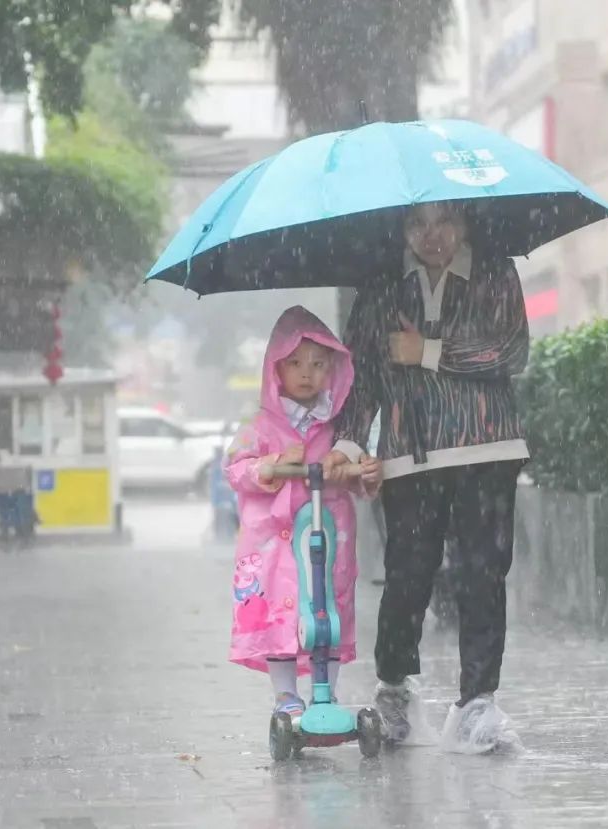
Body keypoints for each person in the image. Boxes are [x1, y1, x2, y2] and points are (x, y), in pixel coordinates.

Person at [325, 201, 530, 750]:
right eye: (417, 223)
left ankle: (478, 702)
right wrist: (346, 443)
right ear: (400, 229)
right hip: (409, 456)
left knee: (483, 576)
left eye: (444, 221)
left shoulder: (495, 271)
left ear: (465, 222)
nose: (431, 235)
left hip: (488, 446)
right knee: (406, 577)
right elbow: (362, 375)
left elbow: (511, 351)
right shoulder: (382, 286)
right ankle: (394, 689)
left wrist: (427, 351)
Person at [223, 306, 381, 716]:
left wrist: (361, 473)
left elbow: (353, 474)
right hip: (274, 543)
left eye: (318, 364)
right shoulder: (259, 426)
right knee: (280, 610)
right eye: (294, 363)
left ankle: (327, 694)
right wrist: (271, 464)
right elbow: (235, 469)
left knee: (326, 608)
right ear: (275, 369)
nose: (306, 373)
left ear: (334, 369)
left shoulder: (336, 428)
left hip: (327, 534)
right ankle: (286, 695)